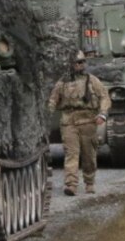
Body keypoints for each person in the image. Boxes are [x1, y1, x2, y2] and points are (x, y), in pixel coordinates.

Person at [47, 51, 111, 196]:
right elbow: (53, 100)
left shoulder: (92, 80)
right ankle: (71, 184)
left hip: (88, 121)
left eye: (82, 62)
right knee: (71, 154)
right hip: (69, 122)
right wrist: (47, 114)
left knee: (89, 155)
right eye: (76, 62)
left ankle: (89, 182)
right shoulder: (62, 83)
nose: (79, 65)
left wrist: (102, 114)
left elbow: (104, 97)